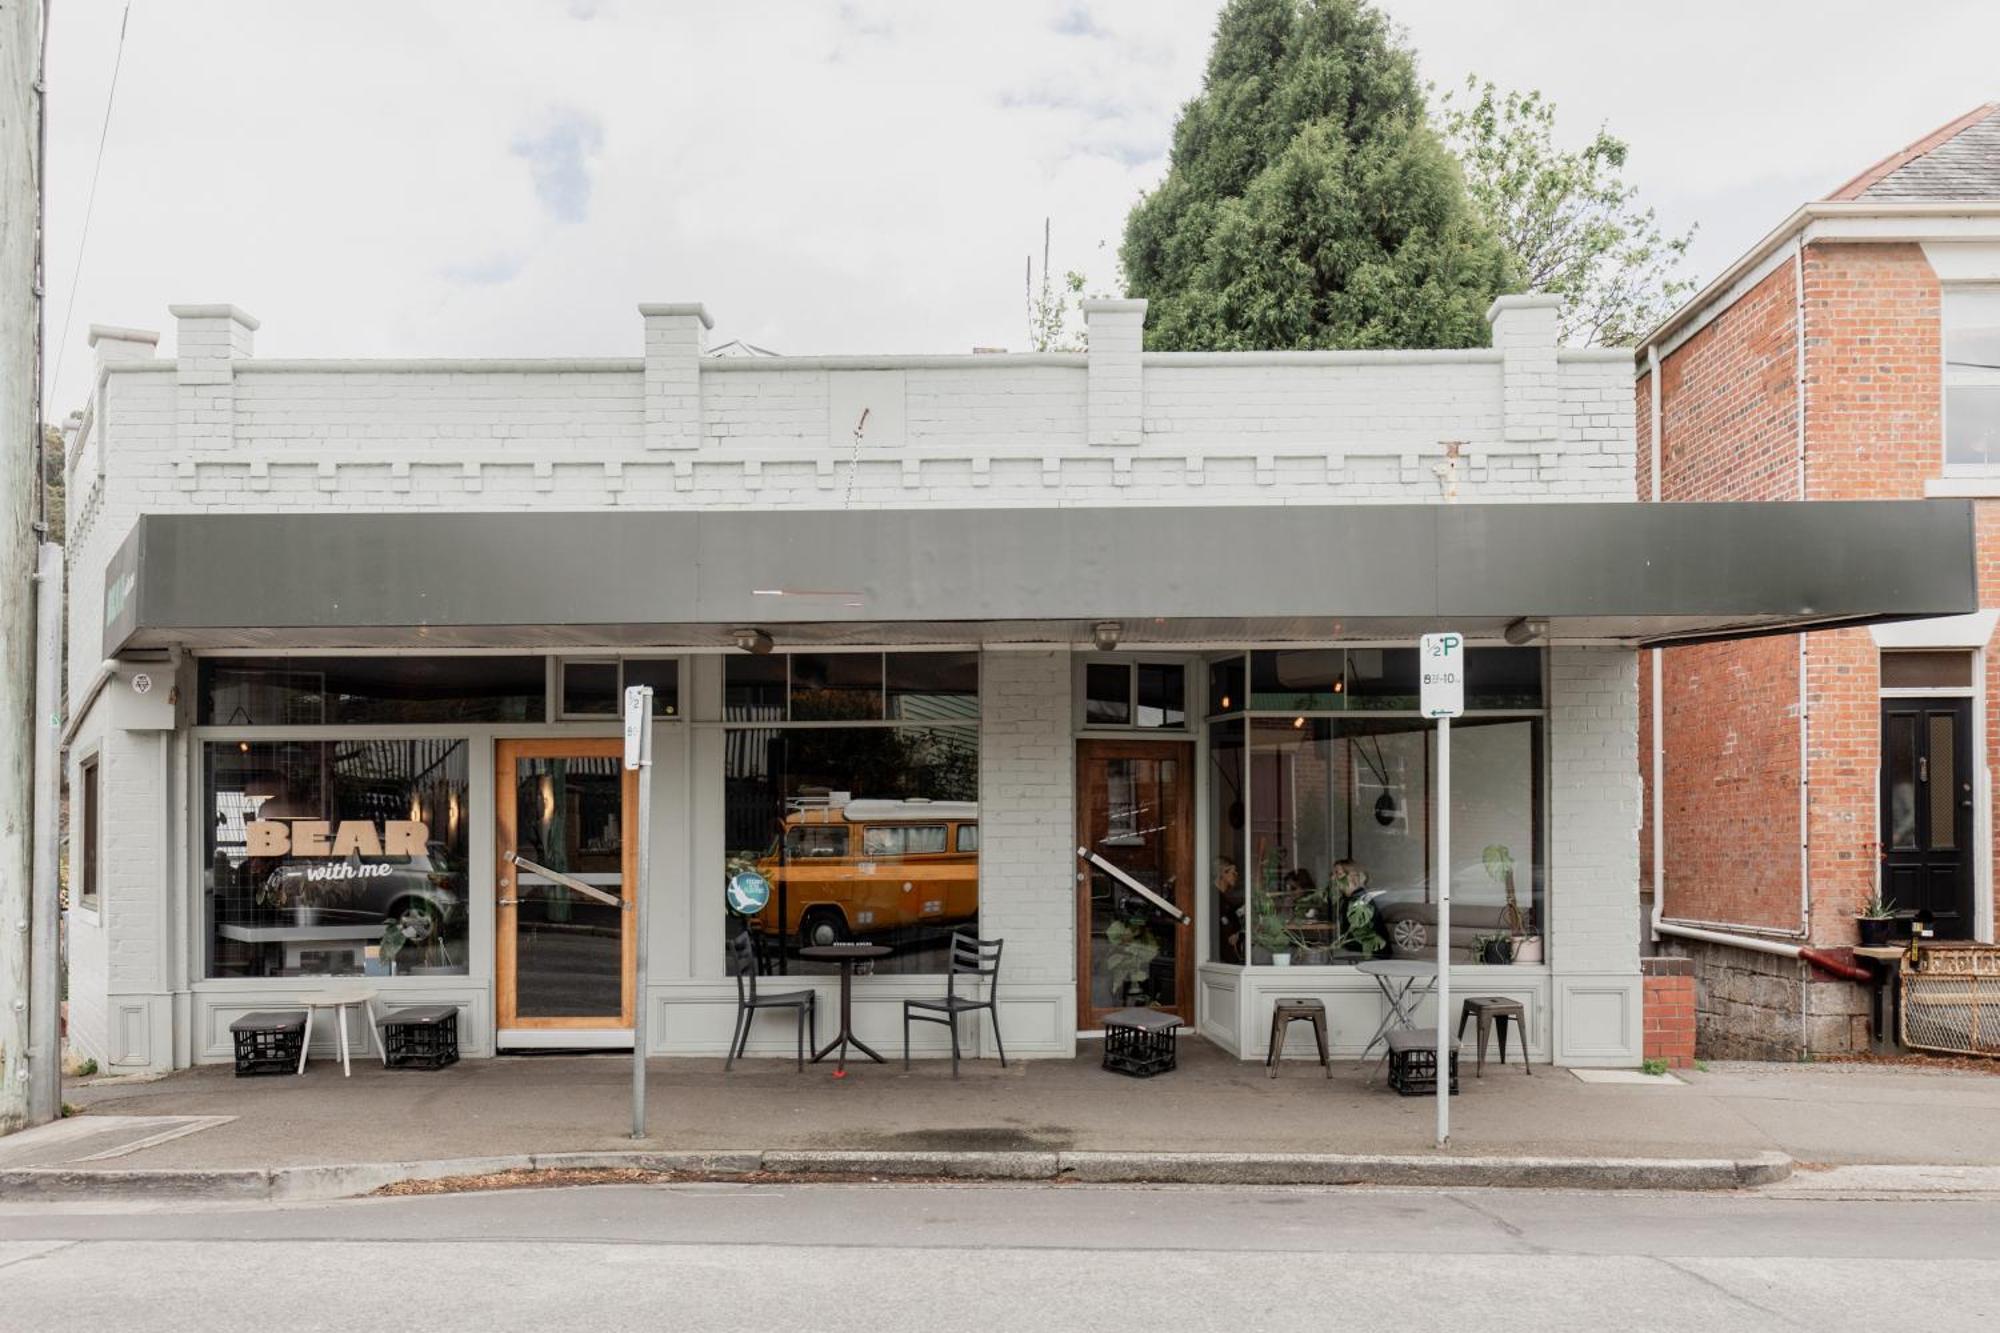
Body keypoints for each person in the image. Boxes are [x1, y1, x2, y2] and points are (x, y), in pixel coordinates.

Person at [1214, 857, 1245, 963]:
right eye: (1233, 872)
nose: (1236, 875)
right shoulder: (1213, 898)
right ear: (1223, 873)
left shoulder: (1225, 897)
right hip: (1218, 956)